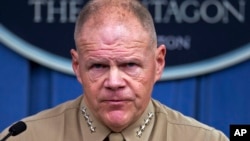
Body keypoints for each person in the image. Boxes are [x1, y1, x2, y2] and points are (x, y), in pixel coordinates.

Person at [0, 0, 229, 140]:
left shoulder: (206, 140)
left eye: (130, 65)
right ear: (78, 67)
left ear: (158, 63)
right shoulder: (23, 138)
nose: (114, 82)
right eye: (98, 66)